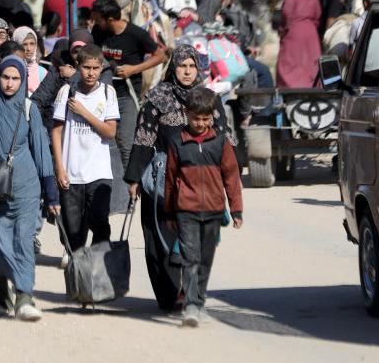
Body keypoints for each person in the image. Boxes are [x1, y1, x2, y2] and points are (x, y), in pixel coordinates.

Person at [127, 43, 229, 313]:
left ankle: (189, 290)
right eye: (182, 66)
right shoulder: (156, 99)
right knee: (158, 241)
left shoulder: (210, 100)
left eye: (191, 66)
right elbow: (143, 140)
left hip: (199, 180)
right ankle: (169, 293)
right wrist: (135, 179)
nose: (186, 71)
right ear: (173, 68)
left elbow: (224, 140)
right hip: (161, 181)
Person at [0, 56, 60, 321]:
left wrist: (51, 194)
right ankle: (2, 299)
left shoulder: (30, 109)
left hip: (26, 187)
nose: (10, 83)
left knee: (23, 241)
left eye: (16, 78)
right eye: (6, 77)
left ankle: (25, 297)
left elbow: (41, 151)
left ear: (23, 80)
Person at [163, 86, 244, 328]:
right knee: (190, 257)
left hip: (213, 210)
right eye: (196, 118)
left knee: (206, 258)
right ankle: (191, 305)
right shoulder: (177, 143)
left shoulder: (220, 142)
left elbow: (231, 176)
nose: (200, 123)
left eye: (205, 119)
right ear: (187, 114)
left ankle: (199, 299)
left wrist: (236, 209)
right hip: (185, 210)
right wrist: (169, 211)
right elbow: (169, 179)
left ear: (212, 117)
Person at [50, 44, 119, 258]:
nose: (91, 73)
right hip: (72, 174)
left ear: (101, 69)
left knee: (100, 222)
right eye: (86, 67)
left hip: (99, 172)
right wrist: (60, 168)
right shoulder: (66, 91)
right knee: (74, 233)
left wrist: (84, 112)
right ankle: (77, 277)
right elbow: (56, 132)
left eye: (95, 68)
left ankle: (99, 274)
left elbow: (110, 131)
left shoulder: (108, 92)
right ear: (78, 66)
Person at [91, 0, 166, 170]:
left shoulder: (136, 34)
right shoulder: (98, 31)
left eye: (97, 19)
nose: (94, 23)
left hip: (126, 95)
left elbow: (160, 56)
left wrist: (134, 69)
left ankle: (128, 192)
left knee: (125, 143)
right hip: (102, 95)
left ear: (109, 19)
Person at [276, 0, 322, 88]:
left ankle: (291, 88)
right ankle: (310, 87)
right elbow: (318, 14)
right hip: (311, 33)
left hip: (294, 31)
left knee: (290, 61)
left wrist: (283, 27)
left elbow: (286, 12)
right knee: (310, 62)